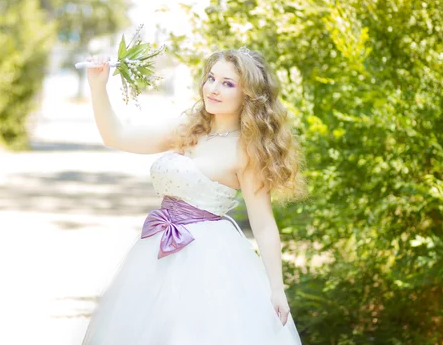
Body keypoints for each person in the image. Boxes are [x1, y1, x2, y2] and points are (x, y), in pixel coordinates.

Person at [81, 48, 306, 344]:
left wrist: (277, 288)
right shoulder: (188, 129)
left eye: (228, 83)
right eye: (212, 78)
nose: (213, 88)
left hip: (208, 258)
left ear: (248, 94)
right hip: (156, 249)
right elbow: (116, 136)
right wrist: (98, 86)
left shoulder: (247, 150)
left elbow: (263, 224)